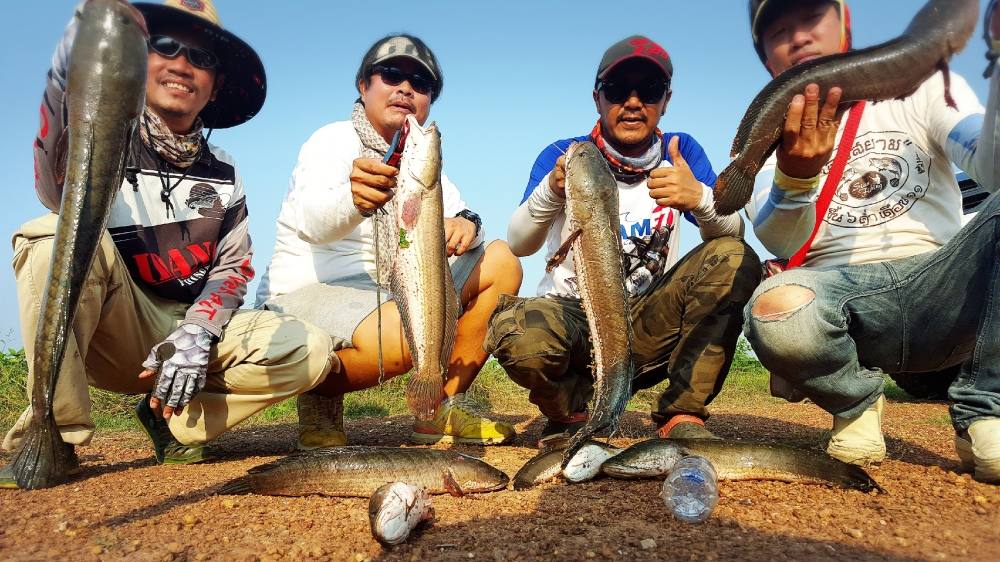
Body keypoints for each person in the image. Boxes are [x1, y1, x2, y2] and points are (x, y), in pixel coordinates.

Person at [0, 0, 337, 488]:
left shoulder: (225, 170)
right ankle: (53, 431)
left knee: (309, 348)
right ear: (137, 59)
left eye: (201, 59)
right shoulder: (97, 131)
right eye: (165, 47)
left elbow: (234, 267)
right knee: (48, 236)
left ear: (215, 85)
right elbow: (54, 190)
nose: (182, 64)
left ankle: (172, 420)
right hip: (114, 326)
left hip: (187, 325)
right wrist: (73, 58)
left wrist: (198, 333)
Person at [742, 0, 1000, 482]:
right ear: (765, 59)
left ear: (844, 22)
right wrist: (796, 177)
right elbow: (777, 234)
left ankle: (987, 409)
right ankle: (854, 402)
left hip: (943, 290)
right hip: (844, 311)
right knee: (773, 311)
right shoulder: (770, 131)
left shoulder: (924, 88)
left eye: (810, 17)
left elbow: (993, 167)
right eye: (778, 30)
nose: (798, 37)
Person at [485, 36, 761, 447]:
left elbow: (733, 235)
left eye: (648, 91)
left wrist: (701, 199)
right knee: (520, 333)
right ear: (597, 98)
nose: (633, 102)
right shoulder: (565, 154)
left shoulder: (680, 152)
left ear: (665, 100)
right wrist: (551, 190)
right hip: (572, 318)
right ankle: (572, 410)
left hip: (647, 320)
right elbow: (519, 243)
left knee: (733, 258)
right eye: (617, 90)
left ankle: (682, 412)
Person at [256, 34, 523, 448]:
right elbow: (312, 223)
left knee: (501, 260)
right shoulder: (331, 140)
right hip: (310, 291)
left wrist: (468, 225)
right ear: (363, 86)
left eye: (421, 83)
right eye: (392, 74)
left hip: (385, 297)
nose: (406, 88)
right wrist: (354, 200)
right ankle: (318, 402)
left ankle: (440, 409)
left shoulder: (419, 155)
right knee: (410, 333)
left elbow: (460, 211)